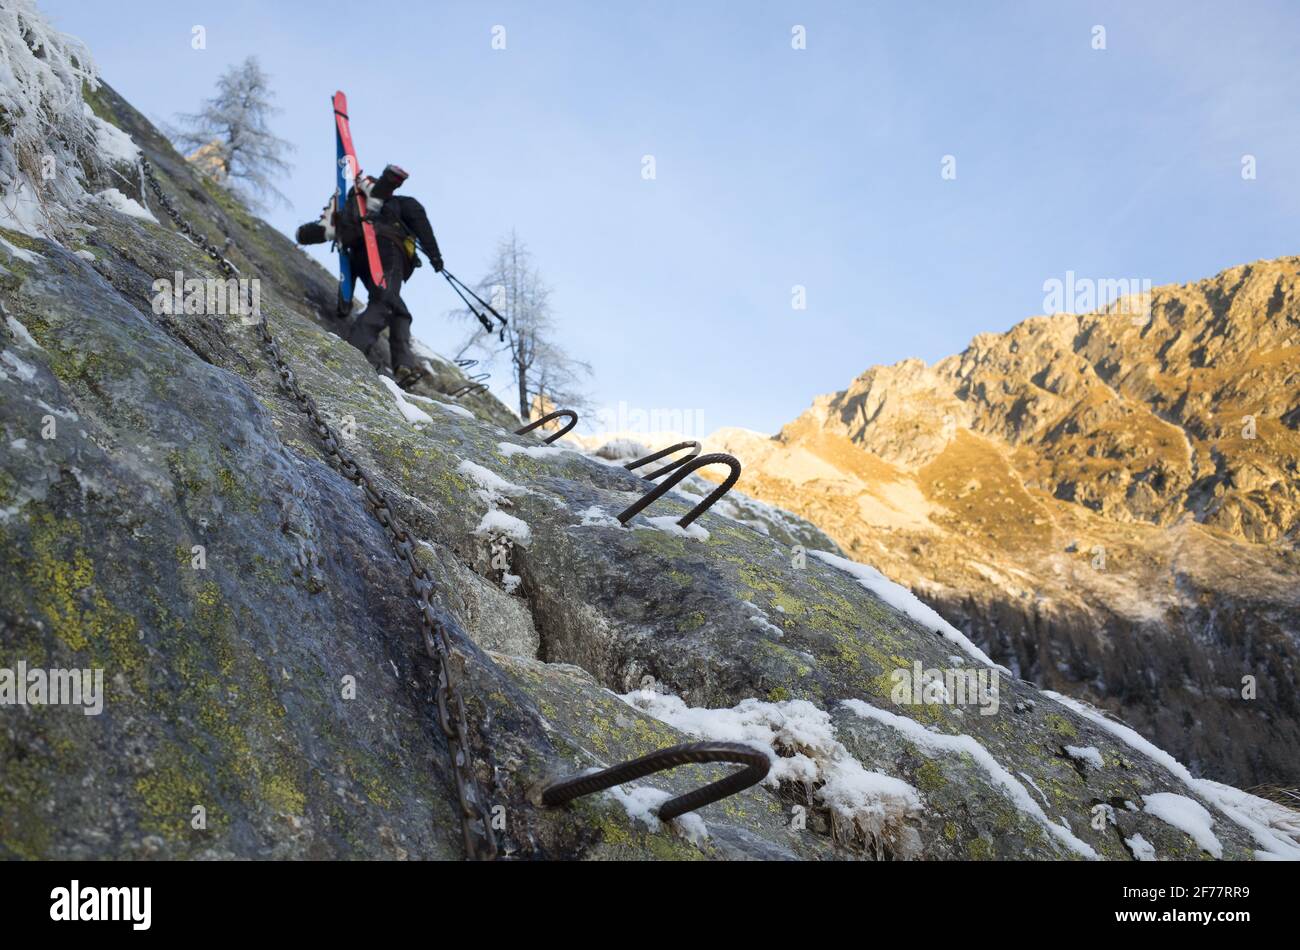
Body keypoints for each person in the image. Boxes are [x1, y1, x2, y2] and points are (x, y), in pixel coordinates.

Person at [295, 164, 443, 387]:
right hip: (387, 250)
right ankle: (351, 353)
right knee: (384, 302)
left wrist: (304, 233)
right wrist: (435, 255)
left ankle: (403, 364)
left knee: (399, 311)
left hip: (358, 258)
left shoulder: (352, 211)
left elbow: (311, 234)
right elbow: (422, 225)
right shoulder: (402, 204)